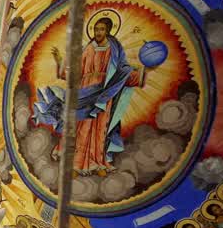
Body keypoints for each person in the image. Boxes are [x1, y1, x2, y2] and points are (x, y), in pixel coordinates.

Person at [33, 15, 144, 174]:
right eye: (96, 29)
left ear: (108, 31)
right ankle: (74, 164)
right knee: (79, 127)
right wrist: (59, 61)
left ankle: (96, 162)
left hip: (103, 93)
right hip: (83, 92)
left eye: (101, 29)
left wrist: (141, 72)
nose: (98, 32)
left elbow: (123, 71)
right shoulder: (89, 48)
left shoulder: (115, 49)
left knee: (99, 129)